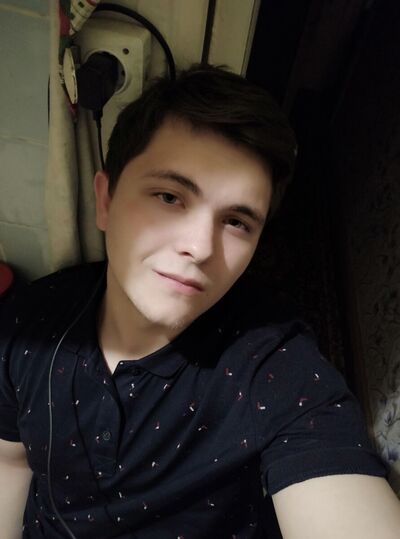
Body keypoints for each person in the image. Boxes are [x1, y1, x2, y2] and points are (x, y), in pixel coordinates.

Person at [0, 64, 399, 539]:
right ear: (105, 200)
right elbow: (9, 460)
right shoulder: (28, 324)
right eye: (169, 197)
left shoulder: (275, 366)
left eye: (236, 222)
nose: (201, 247)